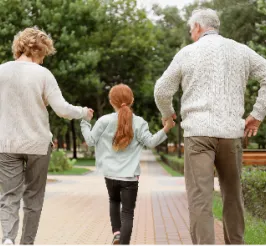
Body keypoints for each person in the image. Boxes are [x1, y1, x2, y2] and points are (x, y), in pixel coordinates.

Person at [154, 8, 266, 246]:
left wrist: (168, 115)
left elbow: (162, 90)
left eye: (190, 30)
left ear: (198, 27)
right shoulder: (241, 51)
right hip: (231, 133)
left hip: (198, 134)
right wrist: (256, 115)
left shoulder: (187, 53)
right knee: (233, 196)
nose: (191, 34)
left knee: (200, 199)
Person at [0, 27, 93, 247]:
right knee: (33, 198)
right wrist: (83, 112)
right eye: (44, 54)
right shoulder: (43, 74)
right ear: (39, 50)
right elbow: (61, 109)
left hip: (6, 143)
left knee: (9, 196)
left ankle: (7, 238)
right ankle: (26, 244)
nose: (43, 60)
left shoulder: (1, 71)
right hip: (38, 145)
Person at [81, 84, 175, 247]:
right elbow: (151, 142)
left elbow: (90, 141)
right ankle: (123, 243)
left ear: (111, 102)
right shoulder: (139, 122)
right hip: (130, 177)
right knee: (128, 213)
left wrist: (85, 122)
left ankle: (116, 234)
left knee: (114, 202)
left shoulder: (104, 121)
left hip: (110, 175)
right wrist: (166, 128)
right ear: (131, 100)